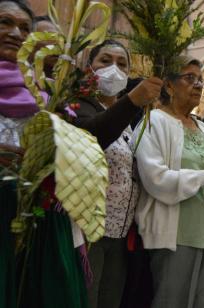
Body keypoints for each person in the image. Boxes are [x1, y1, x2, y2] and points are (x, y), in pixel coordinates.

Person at [0, 2, 89, 307]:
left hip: (41, 223)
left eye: (24, 28)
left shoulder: (48, 97)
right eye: (5, 23)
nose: (15, 33)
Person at [133, 55, 204, 308]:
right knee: (173, 300)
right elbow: (155, 179)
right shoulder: (154, 122)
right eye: (189, 78)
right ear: (169, 86)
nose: (197, 85)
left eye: (200, 80)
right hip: (176, 231)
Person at [70, 39, 162, 308]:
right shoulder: (78, 105)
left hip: (120, 234)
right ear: (90, 67)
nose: (114, 68)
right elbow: (93, 135)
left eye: (122, 64)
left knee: (110, 299)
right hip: (89, 232)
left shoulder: (129, 122)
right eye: (105, 61)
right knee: (86, 299)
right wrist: (132, 100)